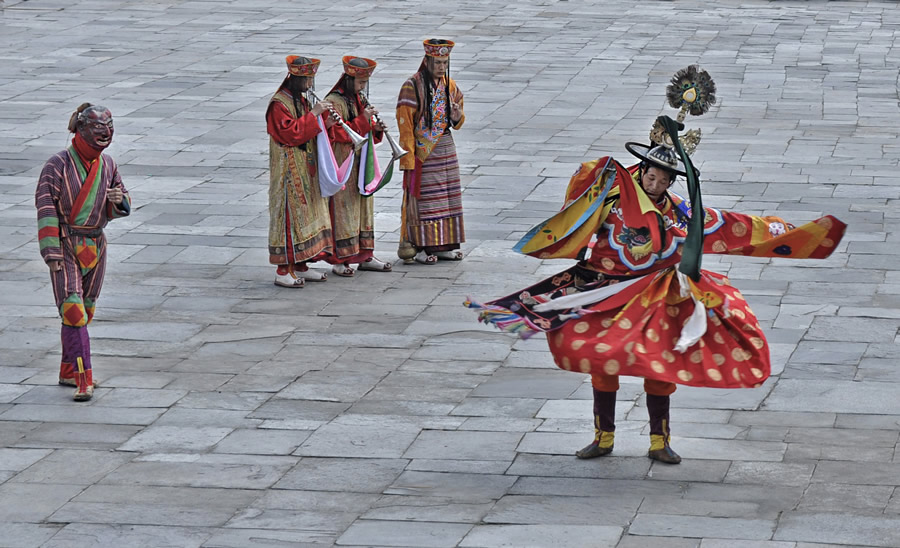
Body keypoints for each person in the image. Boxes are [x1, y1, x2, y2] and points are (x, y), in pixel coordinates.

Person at [467, 66, 846, 464]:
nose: (657, 183)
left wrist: (795, 235)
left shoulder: (682, 215)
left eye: (665, 179)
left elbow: (731, 228)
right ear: (642, 172)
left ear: (671, 182)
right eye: (652, 175)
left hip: (655, 295)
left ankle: (659, 441)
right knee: (602, 360)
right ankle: (604, 436)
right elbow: (577, 204)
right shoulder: (611, 201)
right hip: (603, 289)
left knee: (661, 366)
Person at [35, 103, 131, 401]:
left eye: (109, 126)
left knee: (86, 310)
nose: (105, 133)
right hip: (66, 243)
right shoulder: (57, 165)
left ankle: (66, 368)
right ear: (80, 129)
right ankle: (82, 378)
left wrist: (118, 200)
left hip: (96, 245)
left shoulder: (108, 165)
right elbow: (46, 206)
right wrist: (50, 252)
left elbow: (122, 205)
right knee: (73, 310)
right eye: (98, 128)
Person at [266, 55, 336, 288]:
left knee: (307, 217)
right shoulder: (279, 104)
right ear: (295, 78)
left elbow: (308, 129)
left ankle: (301, 265)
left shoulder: (301, 100)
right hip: (287, 174)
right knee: (288, 219)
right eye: (307, 80)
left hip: (305, 170)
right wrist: (315, 114)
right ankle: (283, 270)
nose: (309, 85)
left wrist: (326, 124)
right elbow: (291, 134)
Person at [396, 38, 466, 265]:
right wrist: (407, 157)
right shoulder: (412, 85)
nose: (441, 67)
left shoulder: (450, 85)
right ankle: (423, 245)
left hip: (446, 146)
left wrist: (457, 117)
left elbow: (458, 116)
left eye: (445, 63)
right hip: (423, 152)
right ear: (427, 60)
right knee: (427, 200)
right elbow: (405, 122)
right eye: (437, 62)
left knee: (448, 196)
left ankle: (446, 244)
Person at [324, 56, 393, 277]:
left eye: (365, 83)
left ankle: (365, 255)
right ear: (348, 79)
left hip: (362, 163)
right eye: (360, 83)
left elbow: (365, 131)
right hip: (343, 162)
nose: (363, 87)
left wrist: (376, 128)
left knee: (364, 209)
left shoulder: (359, 99)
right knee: (344, 210)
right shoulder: (334, 101)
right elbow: (336, 133)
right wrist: (364, 120)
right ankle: (340, 259)